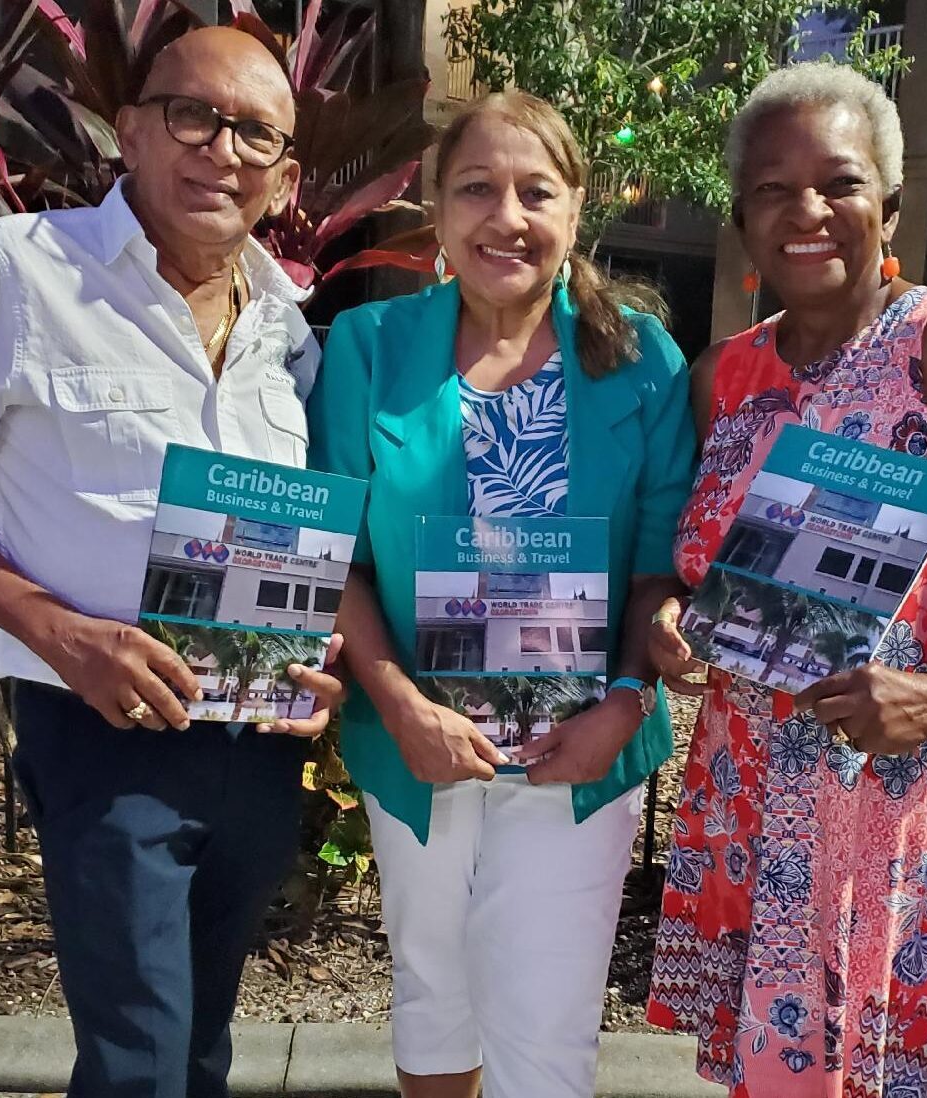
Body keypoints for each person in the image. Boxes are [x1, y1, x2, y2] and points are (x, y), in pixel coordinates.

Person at [645, 62, 927, 1098]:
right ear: (740, 215)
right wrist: (670, 621)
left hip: (890, 789)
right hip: (747, 792)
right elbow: (697, 569)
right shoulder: (720, 378)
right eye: (774, 190)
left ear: (891, 202)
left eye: (839, 183)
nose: (807, 212)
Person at [0, 28, 346, 1098]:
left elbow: (287, 537)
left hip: (256, 751)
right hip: (103, 740)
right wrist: (62, 634)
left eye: (256, 133)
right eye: (195, 115)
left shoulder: (289, 332)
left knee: (199, 1052)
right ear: (131, 132)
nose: (222, 149)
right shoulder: (16, 275)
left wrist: (314, 654)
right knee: (138, 1065)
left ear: (285, 176)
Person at [308, 91, 696, 1098]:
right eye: (477, 188)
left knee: (547, 1021)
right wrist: (399, 704)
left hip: (581, 749)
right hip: (418, 739)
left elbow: (658, 561)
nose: (507, 216)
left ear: (576, 208)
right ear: (437, 209)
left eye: (537, 190)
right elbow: (337, 558)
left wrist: (626, 700)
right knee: (433, 988)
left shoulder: (641, 359)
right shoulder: (368, 351)